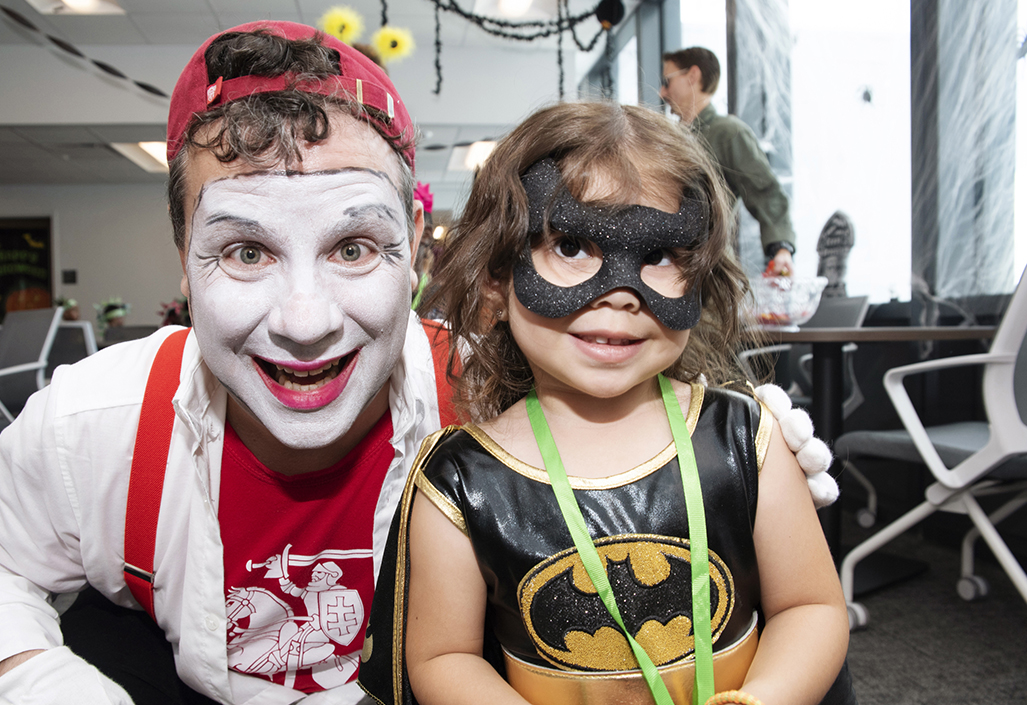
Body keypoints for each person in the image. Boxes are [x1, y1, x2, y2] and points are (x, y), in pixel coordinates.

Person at [0, 20, 454, 705]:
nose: (305, 324)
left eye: (353, 247)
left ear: (416, 248)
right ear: (184, 258)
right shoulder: (100, 420)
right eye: (247, 252)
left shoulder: (493, 409)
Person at [359, 102, 853, 705]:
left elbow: (812, 606)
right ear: (495, 276)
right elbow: (442, 657)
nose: (620, 295)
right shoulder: (461, 481)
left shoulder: (746, 439)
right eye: (569, 245)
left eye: (660, 255)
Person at [659, 47, 796, 276]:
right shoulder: (669, 139)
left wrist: (781, 248)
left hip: (707, 276)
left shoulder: (727, 133)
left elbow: (766, 191)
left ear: (693, 75)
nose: (663, 92)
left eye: (667, 81)